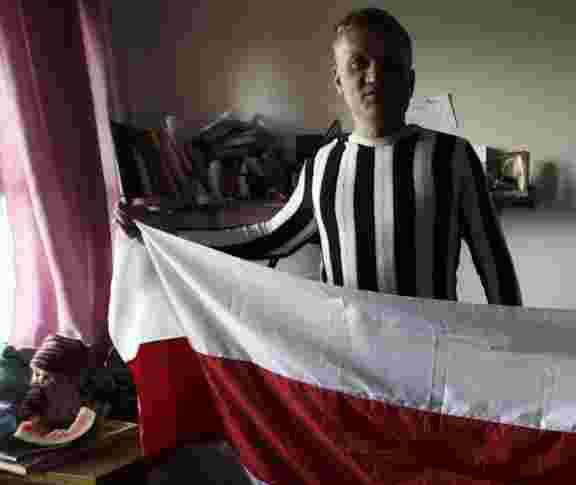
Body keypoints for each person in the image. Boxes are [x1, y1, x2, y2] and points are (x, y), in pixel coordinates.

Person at [117, 7, 522, 307]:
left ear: (411, 80)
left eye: (391, 65)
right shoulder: (324, 166)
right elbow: (265, 239)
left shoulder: (452, 158)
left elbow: (495, 266)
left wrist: (513, 356)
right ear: (338, 80)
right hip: (350, 372)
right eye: (358, 63)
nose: (374, 76)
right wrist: (162, 232)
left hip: (435, 370)